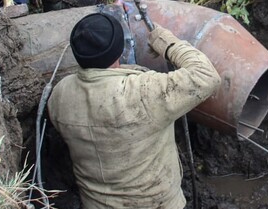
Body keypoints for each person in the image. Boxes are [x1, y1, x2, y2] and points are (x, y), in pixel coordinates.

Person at [48, 12, 221, 208]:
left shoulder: (59, 95)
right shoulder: (141, 92)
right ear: (119, 50)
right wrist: (169, 45)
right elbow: (206, 76)